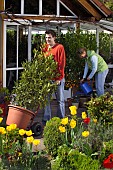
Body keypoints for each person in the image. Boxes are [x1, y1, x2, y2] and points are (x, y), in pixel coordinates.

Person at [42, 29, 66, 124]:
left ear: (54, 37)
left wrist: (59, 78)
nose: (47, 39)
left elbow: (61, 63)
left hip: (58, 78)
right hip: (48, 78)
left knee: (60, 100)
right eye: (46, 37)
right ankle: (46, 118)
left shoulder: (60, 47)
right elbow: (42, 62)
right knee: (46, 100)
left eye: (49, 37)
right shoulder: (45, 48)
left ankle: (61, 119)